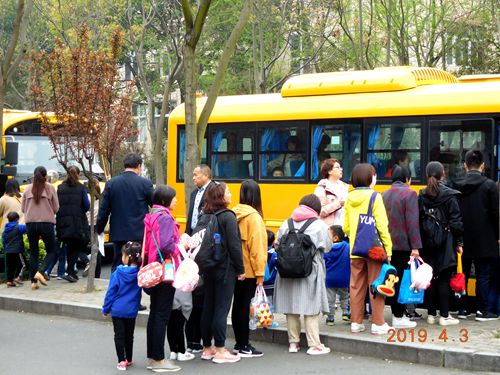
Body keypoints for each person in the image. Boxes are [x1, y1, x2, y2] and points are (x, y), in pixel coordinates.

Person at [274, 194, 332, 355]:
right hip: (309, 270)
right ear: (316, 209)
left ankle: (293, 343)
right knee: (311, 306)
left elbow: (277, 244)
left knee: (291, 307)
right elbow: (327, 247)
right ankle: (314, 344)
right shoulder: (319, 225)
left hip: (287, 271)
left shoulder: (287, 223)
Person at [343, 163, 393, 335]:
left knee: (356, 286)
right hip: (374, 250)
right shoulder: (375, 197)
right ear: (370, 178)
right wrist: (388, 249)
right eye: (374, 175)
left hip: (355, 249)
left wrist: (357, 236)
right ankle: (378, 323)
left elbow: (346, 227)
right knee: (376, 284)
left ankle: (356, 322)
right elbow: (382, 226)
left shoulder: (349, 198)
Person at [199, 182, 245, 364]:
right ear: (221, 196)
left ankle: (207, 348)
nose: (230, 194)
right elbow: (234, 245)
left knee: (208, 306)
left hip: (208, 267)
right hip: (225, 268)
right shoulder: (228, 216)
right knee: (221, 307)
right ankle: (220, 349)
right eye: (227, 192)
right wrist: (240, 269)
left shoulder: (206, 216)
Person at [452, 150, 499, 321]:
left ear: (465, 165)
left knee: (461, 272)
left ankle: (462, 309)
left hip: (461, 238)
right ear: (483, 166)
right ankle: (482, 311)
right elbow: (495, 214)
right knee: (483, 275)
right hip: (485, 238)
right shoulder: (490, 186)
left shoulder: (456, 184)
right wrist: (497, 235)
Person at [419, 161, 463, 326]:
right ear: (442, 174)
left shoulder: (422, 195)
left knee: (430, 278)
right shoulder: (450, 196)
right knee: (444, 278)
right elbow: (456, 222)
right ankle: (444, 316)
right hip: (446, 242)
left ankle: (430, 315)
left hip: (427, 242)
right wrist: (459, 242)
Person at [144, 185, 182, 373]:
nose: (176, 200)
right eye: (174, 198)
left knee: (155, 313)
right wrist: (180, 247)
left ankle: (153, 355)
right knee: (161, 315)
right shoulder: (165, 217)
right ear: (166, 200)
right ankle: (159, 359)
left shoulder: (153, 215)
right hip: (165, 271)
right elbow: (167, 244)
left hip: (154, 269)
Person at [96, 153, 153, 272]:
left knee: (118, 264)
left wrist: (99, 228)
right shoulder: (145, 183)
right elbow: (154, 205)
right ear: (139, 166)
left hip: (118, 233)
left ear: (124, 165)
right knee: (136, 265)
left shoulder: (111, 183)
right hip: (138, 233)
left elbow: (104, 210)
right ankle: (133, 290)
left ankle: (116, 288)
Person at [382, 165, 422, 328]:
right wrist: (416, 247)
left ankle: (396, 314)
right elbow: (412, 222)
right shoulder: (410, 193)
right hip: (404, 244)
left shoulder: (384, 194)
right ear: (407, 179)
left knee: (391, 279)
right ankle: (399, 317)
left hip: (388, 244)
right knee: (402, 281)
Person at [231, 180, 267, 358]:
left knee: (237, 306)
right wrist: (260, 273)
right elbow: (258, 249)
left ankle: (239, 343)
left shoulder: (233, 213)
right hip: (250, 271)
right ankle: (244, 344)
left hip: (235, 269)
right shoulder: (254, 218)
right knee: (245, 307)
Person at [102, 241, 142, 371]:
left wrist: (106, 308)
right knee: (129, 335)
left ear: (127, 257)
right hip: (132, 310)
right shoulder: (139, 273)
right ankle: (129, 358)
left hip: (118, 310)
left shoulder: (118, 273)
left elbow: (111, 293)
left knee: (119, 335)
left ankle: (121, 360)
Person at [21, 166, 59, 290]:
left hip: (30, 224)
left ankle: (33, 282)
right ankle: (40, 272)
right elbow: (56, 208)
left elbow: (23, 209)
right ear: (46, 176)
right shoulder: (50, 188)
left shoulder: (27, 189)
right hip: (46, 223)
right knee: (52, 251)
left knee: (34, 253)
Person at [56, 166, 90, 283]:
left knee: (70, 246)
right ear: (78, 174)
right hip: (77, 221)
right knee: (77, 245)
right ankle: (70, 271)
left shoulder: (60, 187)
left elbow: (56, 204)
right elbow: (86, 205)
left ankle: (70, 272)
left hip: (63, 221)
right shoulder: (81, 188)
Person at [323, 225, 350, 325]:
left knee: (330, 299)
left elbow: (323, 261)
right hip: (344, 278)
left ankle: (330, 318)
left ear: (335, 238)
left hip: (329, 279)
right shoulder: (347, 246)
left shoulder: (326, 248)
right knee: (344, 296)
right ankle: (346, 312)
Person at [314, 158, 349, 226]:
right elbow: (320, 211)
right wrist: (339, 204)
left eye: (340, 167)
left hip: (344, 227)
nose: (341, 169)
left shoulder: (344, 187)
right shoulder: (322, 187)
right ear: (329, 171)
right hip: (330, 228)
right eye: (337, 167)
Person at [186, 165, 216, 236]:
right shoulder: (194, 192)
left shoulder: (214, 190)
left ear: (206, 175)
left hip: (206, 233)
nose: (193, 178)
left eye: (196, 175)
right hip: (193, 233)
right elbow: (191, 214)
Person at [2, 212, 27, 287]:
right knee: (23, 265)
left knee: (11, 267)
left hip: (8, 251)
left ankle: (9, 281)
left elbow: (4, 242)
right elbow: (27, 228)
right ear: (17, 219)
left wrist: (6, 249)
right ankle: (17, 277)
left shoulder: (4, 231)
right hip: (17, 251)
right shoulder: (19, 227)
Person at [263, 229, 278, 302]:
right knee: (268, 306)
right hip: (270, 285)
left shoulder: (258, 252)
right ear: (273, 242)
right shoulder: (275, 255)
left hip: (257, 283)